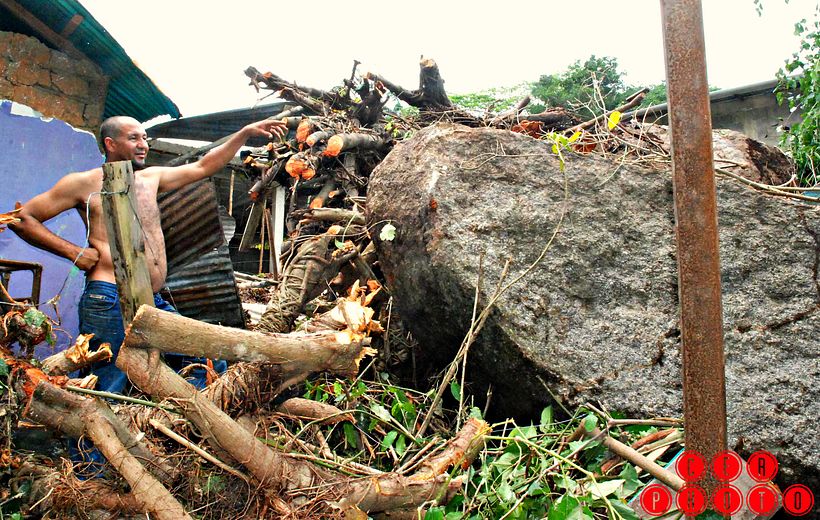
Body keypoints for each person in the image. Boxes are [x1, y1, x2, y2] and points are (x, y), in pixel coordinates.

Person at [10, 115, 287, 393]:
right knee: (110, 383)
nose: (143, 144)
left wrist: (244, 133)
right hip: (109, 295)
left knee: (203, 359)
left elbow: (204, 166)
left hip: (150, 298)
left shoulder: (150, 178)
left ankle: (176, 415)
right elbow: (23, 218)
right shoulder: (83, 183)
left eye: (144, 138)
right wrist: (76, 254)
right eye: (133, 138)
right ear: (111, 143)